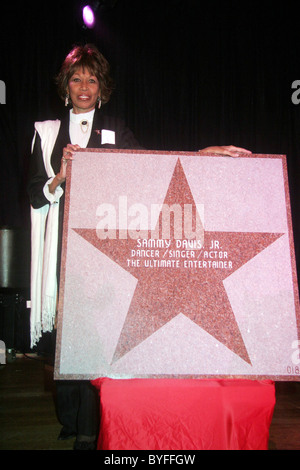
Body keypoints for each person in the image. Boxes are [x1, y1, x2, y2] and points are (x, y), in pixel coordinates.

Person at [27, 43, 251, 450]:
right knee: (66, 336)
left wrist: (202, 155)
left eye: (92, 79)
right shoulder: (45, 132)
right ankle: (71, 415)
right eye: (77, 78)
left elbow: (152, 167)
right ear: (65, 85)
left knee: (95, 335)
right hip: (63, 247)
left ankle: (87, 428)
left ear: (102, 87)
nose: (84, 86)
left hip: (105, 247)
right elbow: (34, 196)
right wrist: (59, 177)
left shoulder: (116, 127)